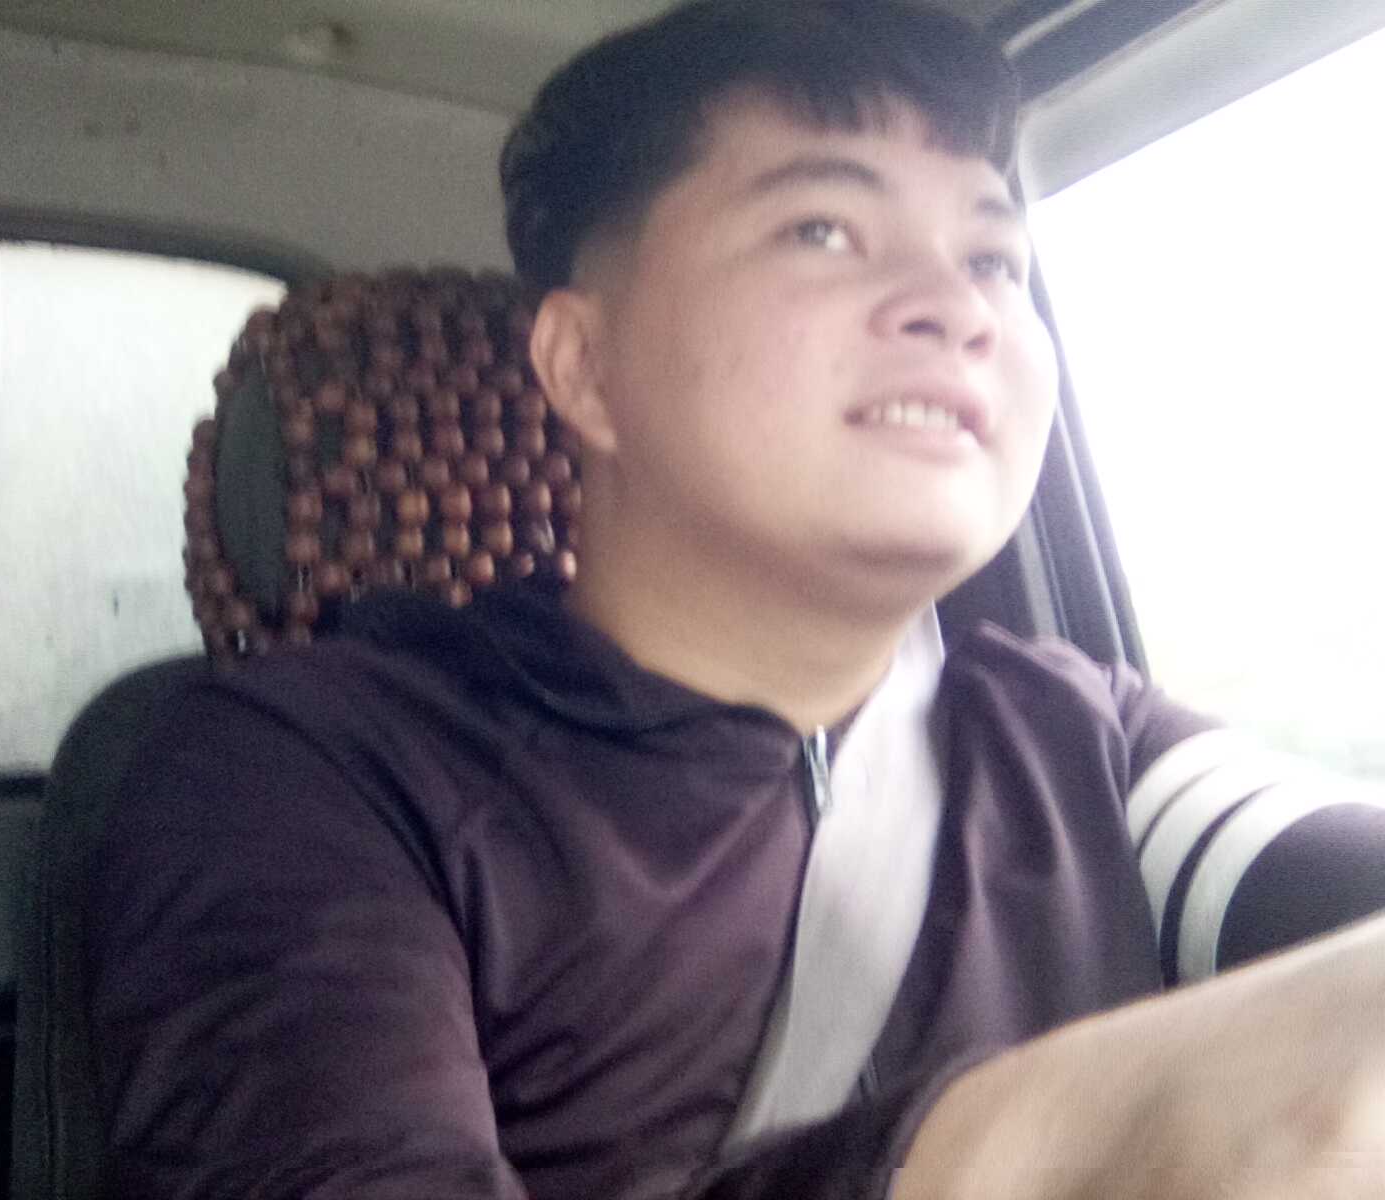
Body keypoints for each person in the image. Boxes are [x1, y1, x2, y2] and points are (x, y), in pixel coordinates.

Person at [88, 2, 1385, 1197]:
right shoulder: (310, 770)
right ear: (583, 367)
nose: (958, 307)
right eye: (822, 229)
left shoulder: (1087, 741)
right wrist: (1074, 1141)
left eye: (995, 256)